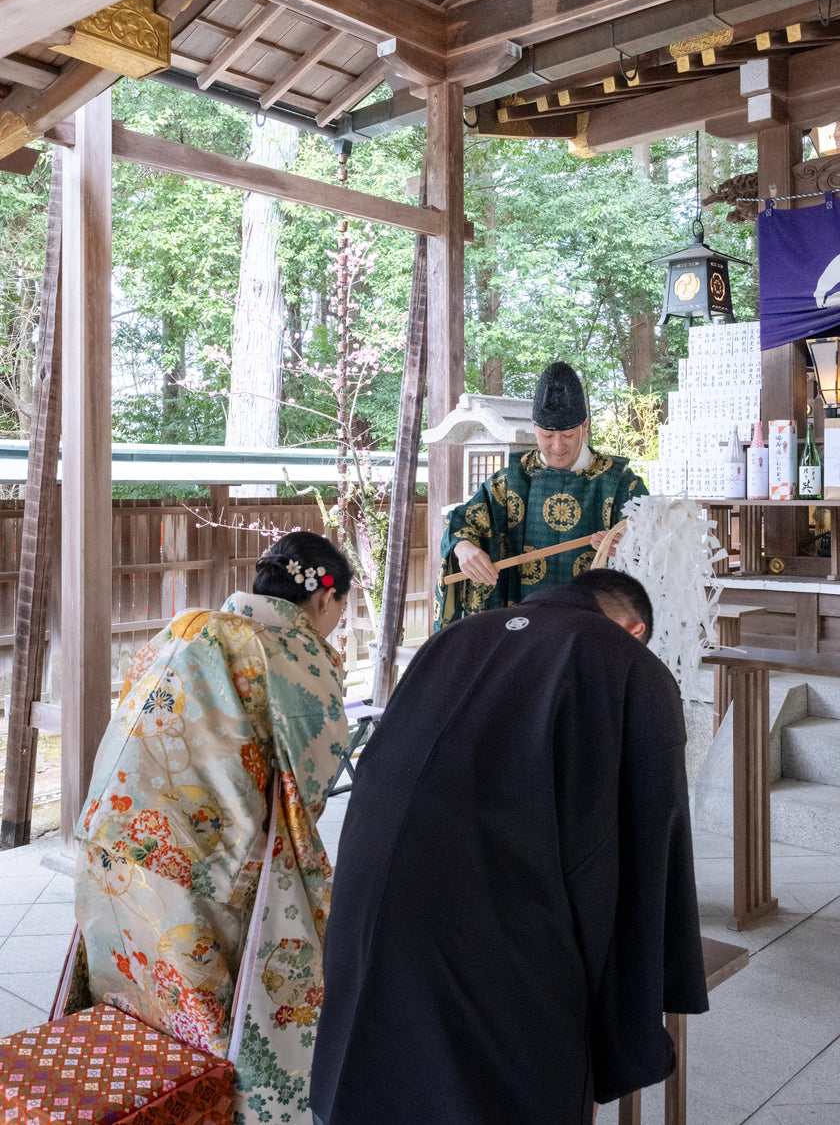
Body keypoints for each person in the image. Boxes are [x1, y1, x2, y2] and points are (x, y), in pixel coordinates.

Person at [310, 570, 708, 1125]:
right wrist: (626, 1026)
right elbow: (649, 847)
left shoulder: (451, 638)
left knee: (377, 1072)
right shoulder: (626, 661)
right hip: (501, 933)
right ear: (634, 628)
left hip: (368, 914)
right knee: (492, 1086)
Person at [73, 531, 353, 1125]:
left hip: (107, 834)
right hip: (191, 864)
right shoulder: (293, 651)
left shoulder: (184, 626)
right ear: (325, 600)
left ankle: (134, 1105)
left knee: (129, 1003)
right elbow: (313, 780)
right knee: (205, 1022)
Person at [434, 361, 648, 628]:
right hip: (521, 624)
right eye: (547, 435)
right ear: (534, 427)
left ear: (585, 426)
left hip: (591, 630)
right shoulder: (511, 481)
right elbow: (462, 521)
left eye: (568, 435)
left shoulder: (619, 484)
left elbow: (655, 545)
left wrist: (630, 546)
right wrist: (463, 548)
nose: (557, 446)